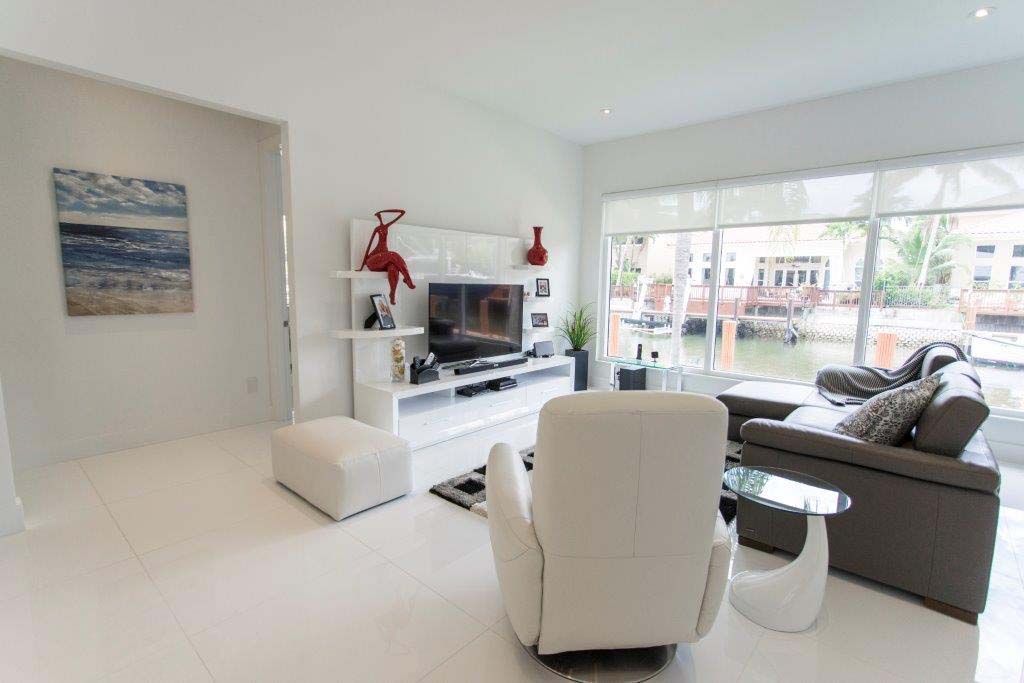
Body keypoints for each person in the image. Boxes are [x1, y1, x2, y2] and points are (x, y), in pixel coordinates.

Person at [359, 209, 416, 304]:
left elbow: (402, 213)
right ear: (378, 218)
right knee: (393, 255)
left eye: (381, 216)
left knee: (393, 267)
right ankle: (407, 279)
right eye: (379, 217)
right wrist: (361, 266)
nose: (381, 219)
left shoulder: (387, 226)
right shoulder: (376, 229)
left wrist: (386, 211)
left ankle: (392, 293)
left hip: (383, 261)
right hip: (372, 261)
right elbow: (369, 246)